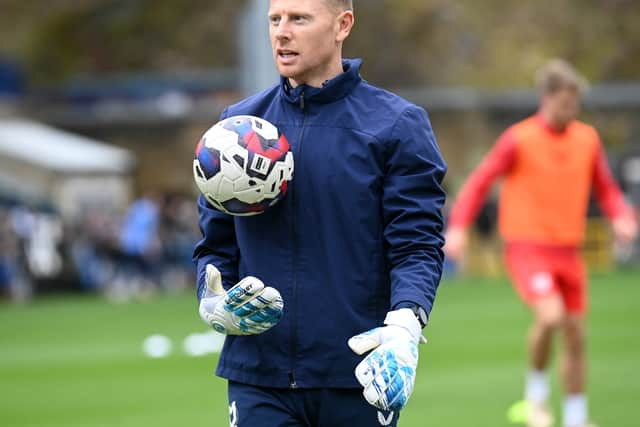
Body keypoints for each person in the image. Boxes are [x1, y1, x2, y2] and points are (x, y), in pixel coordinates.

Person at [193, 1, 447, 426]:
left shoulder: (397, 125)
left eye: (299, 19)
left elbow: (417, 245)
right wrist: (213, 296)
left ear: (342, 25)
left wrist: (405, 326)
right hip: (260, 377)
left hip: (359, 372)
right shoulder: (236, 129)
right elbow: (215, 246)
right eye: (275, 20)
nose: (282, 32)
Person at [444, 59, 638, 427]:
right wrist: (457, 228)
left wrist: (621, 217)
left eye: (575, 103)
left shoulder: (587, 139)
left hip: (569, 249)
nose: (571, 110)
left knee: (577, 335)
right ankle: (535, 400)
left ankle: (577, 419)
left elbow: (606, 188)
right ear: (546, 98)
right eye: (565, 103)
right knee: (551, 316)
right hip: (527, 247)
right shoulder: (519, 138)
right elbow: (480, 182)